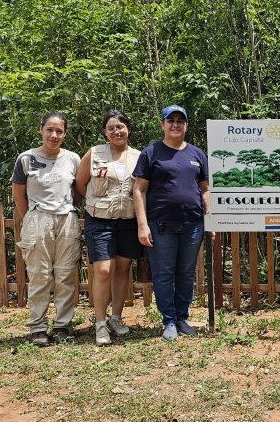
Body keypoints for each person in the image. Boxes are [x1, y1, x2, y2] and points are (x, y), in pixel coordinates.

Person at [133, 105, 210, 341]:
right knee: (163, 274)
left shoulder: (197, 154)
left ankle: (181, 317)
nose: (175, 124)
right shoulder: (151, 153)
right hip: (161, 225)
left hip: (193, 225)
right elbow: (139, 190)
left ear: (186, 125)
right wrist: (143, 225)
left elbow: (205, 190)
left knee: (186, 273)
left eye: (180, 121)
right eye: (171, 120)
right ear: (162, 125)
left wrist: (211, 221)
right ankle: (168, 320)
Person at [12, 111, 82, 347]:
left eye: (59, 131)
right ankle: (38, 327)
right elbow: (18, 194)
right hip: (38, 218)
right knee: (39, 275)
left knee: (64, 274)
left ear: (65, 133)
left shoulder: (73, 159)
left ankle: (63, 325)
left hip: (66, 219)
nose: (54, 135)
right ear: (41, 130)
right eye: (49, 130)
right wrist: (31, 218)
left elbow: (79, 190)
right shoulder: (26, 158)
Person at [74, 110, 141, 346]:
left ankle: (116, 318)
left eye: (121, 127)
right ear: (105, 132)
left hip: (128, 220)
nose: (117, 131)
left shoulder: (138, 156)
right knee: (103, 270)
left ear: (128, 129)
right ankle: (100, 323)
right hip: (100, 219)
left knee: (123, 269)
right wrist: (97, 203)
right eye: (111, 128)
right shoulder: (94, 154)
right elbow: (81, 184)